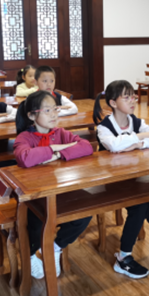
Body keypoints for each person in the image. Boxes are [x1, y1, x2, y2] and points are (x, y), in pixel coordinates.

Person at [94, 80, 149, 279]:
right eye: (126, 97)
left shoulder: (135, 121)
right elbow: (114, 145)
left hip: (134, 177)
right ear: (113, 103)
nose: (133, 101)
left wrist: (137, 144)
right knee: (141, 204)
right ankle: (123, 257)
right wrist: (140, 137)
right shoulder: (104, 127)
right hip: (111, 181)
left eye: (133, 96)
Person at [14, 90, 94, 279]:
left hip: (60, 190)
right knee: (35, 220)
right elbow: (25, 158)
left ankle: (55, 247)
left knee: (85, 210)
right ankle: (32, 254)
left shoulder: (60, 133)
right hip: (35, 194)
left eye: (55, 109)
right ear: (32, 115)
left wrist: (58, 154)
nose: (54, 115)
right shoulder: (24, 137)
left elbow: (86, 146)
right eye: (47, 110)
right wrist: (54, 148)